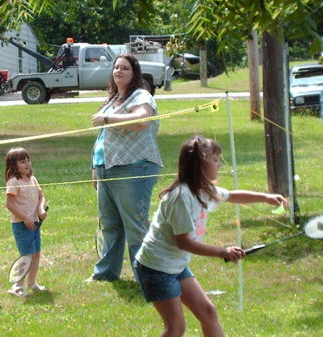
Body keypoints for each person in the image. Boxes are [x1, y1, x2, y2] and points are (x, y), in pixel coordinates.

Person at [134, 136, 288, 337]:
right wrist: (222, 251)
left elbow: (232, 196)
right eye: (215, 160)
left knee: (208, 312)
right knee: (176, 328)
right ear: (200, 164)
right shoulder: (181, 197)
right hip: (156, 268)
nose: (219, 164)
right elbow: (184, 242)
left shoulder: (204, 190)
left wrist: (266, 197)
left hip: (175, 265)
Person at [87, 53, 163, 282]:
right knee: (110, 224)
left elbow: (141, 120)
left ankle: (148, 277)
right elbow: (103, 138)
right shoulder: (113, 100)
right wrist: (95, 167)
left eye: (125, 68)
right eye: (116, 67)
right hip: (106, 168)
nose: (119, 71)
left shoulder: (141, 95)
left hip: (133, 168)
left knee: (136, 227)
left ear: (134, 73)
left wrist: (108, 119)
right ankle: (105, 273)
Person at [5, 147, 48, 297]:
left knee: (36, 253)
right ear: (13, 165)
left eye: (28, 160)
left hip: (35, 223)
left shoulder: (33, 179)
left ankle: (32, 283)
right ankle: (17, 286)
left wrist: (41, 210)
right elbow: (9, 204)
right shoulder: (13, 182)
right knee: (27, 256)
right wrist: (24, 218)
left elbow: (41, 197)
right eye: (22, 162)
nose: (27, 164)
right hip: (21, 225)